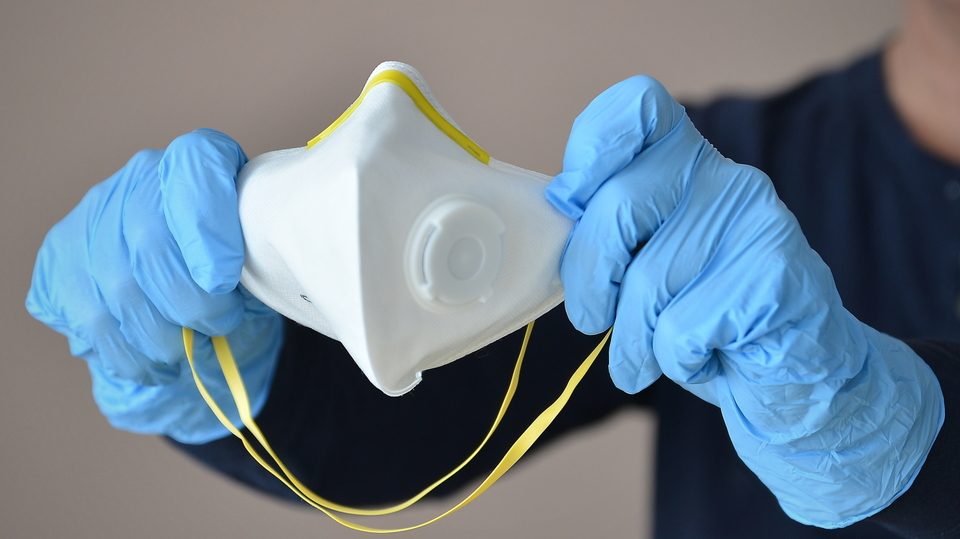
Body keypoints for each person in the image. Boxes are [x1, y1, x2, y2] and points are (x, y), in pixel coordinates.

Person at [24, 0, 960, 536]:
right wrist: (238, 367)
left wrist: (901, 438)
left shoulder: (714, 209)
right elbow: (411, 429)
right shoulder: (705, 190)